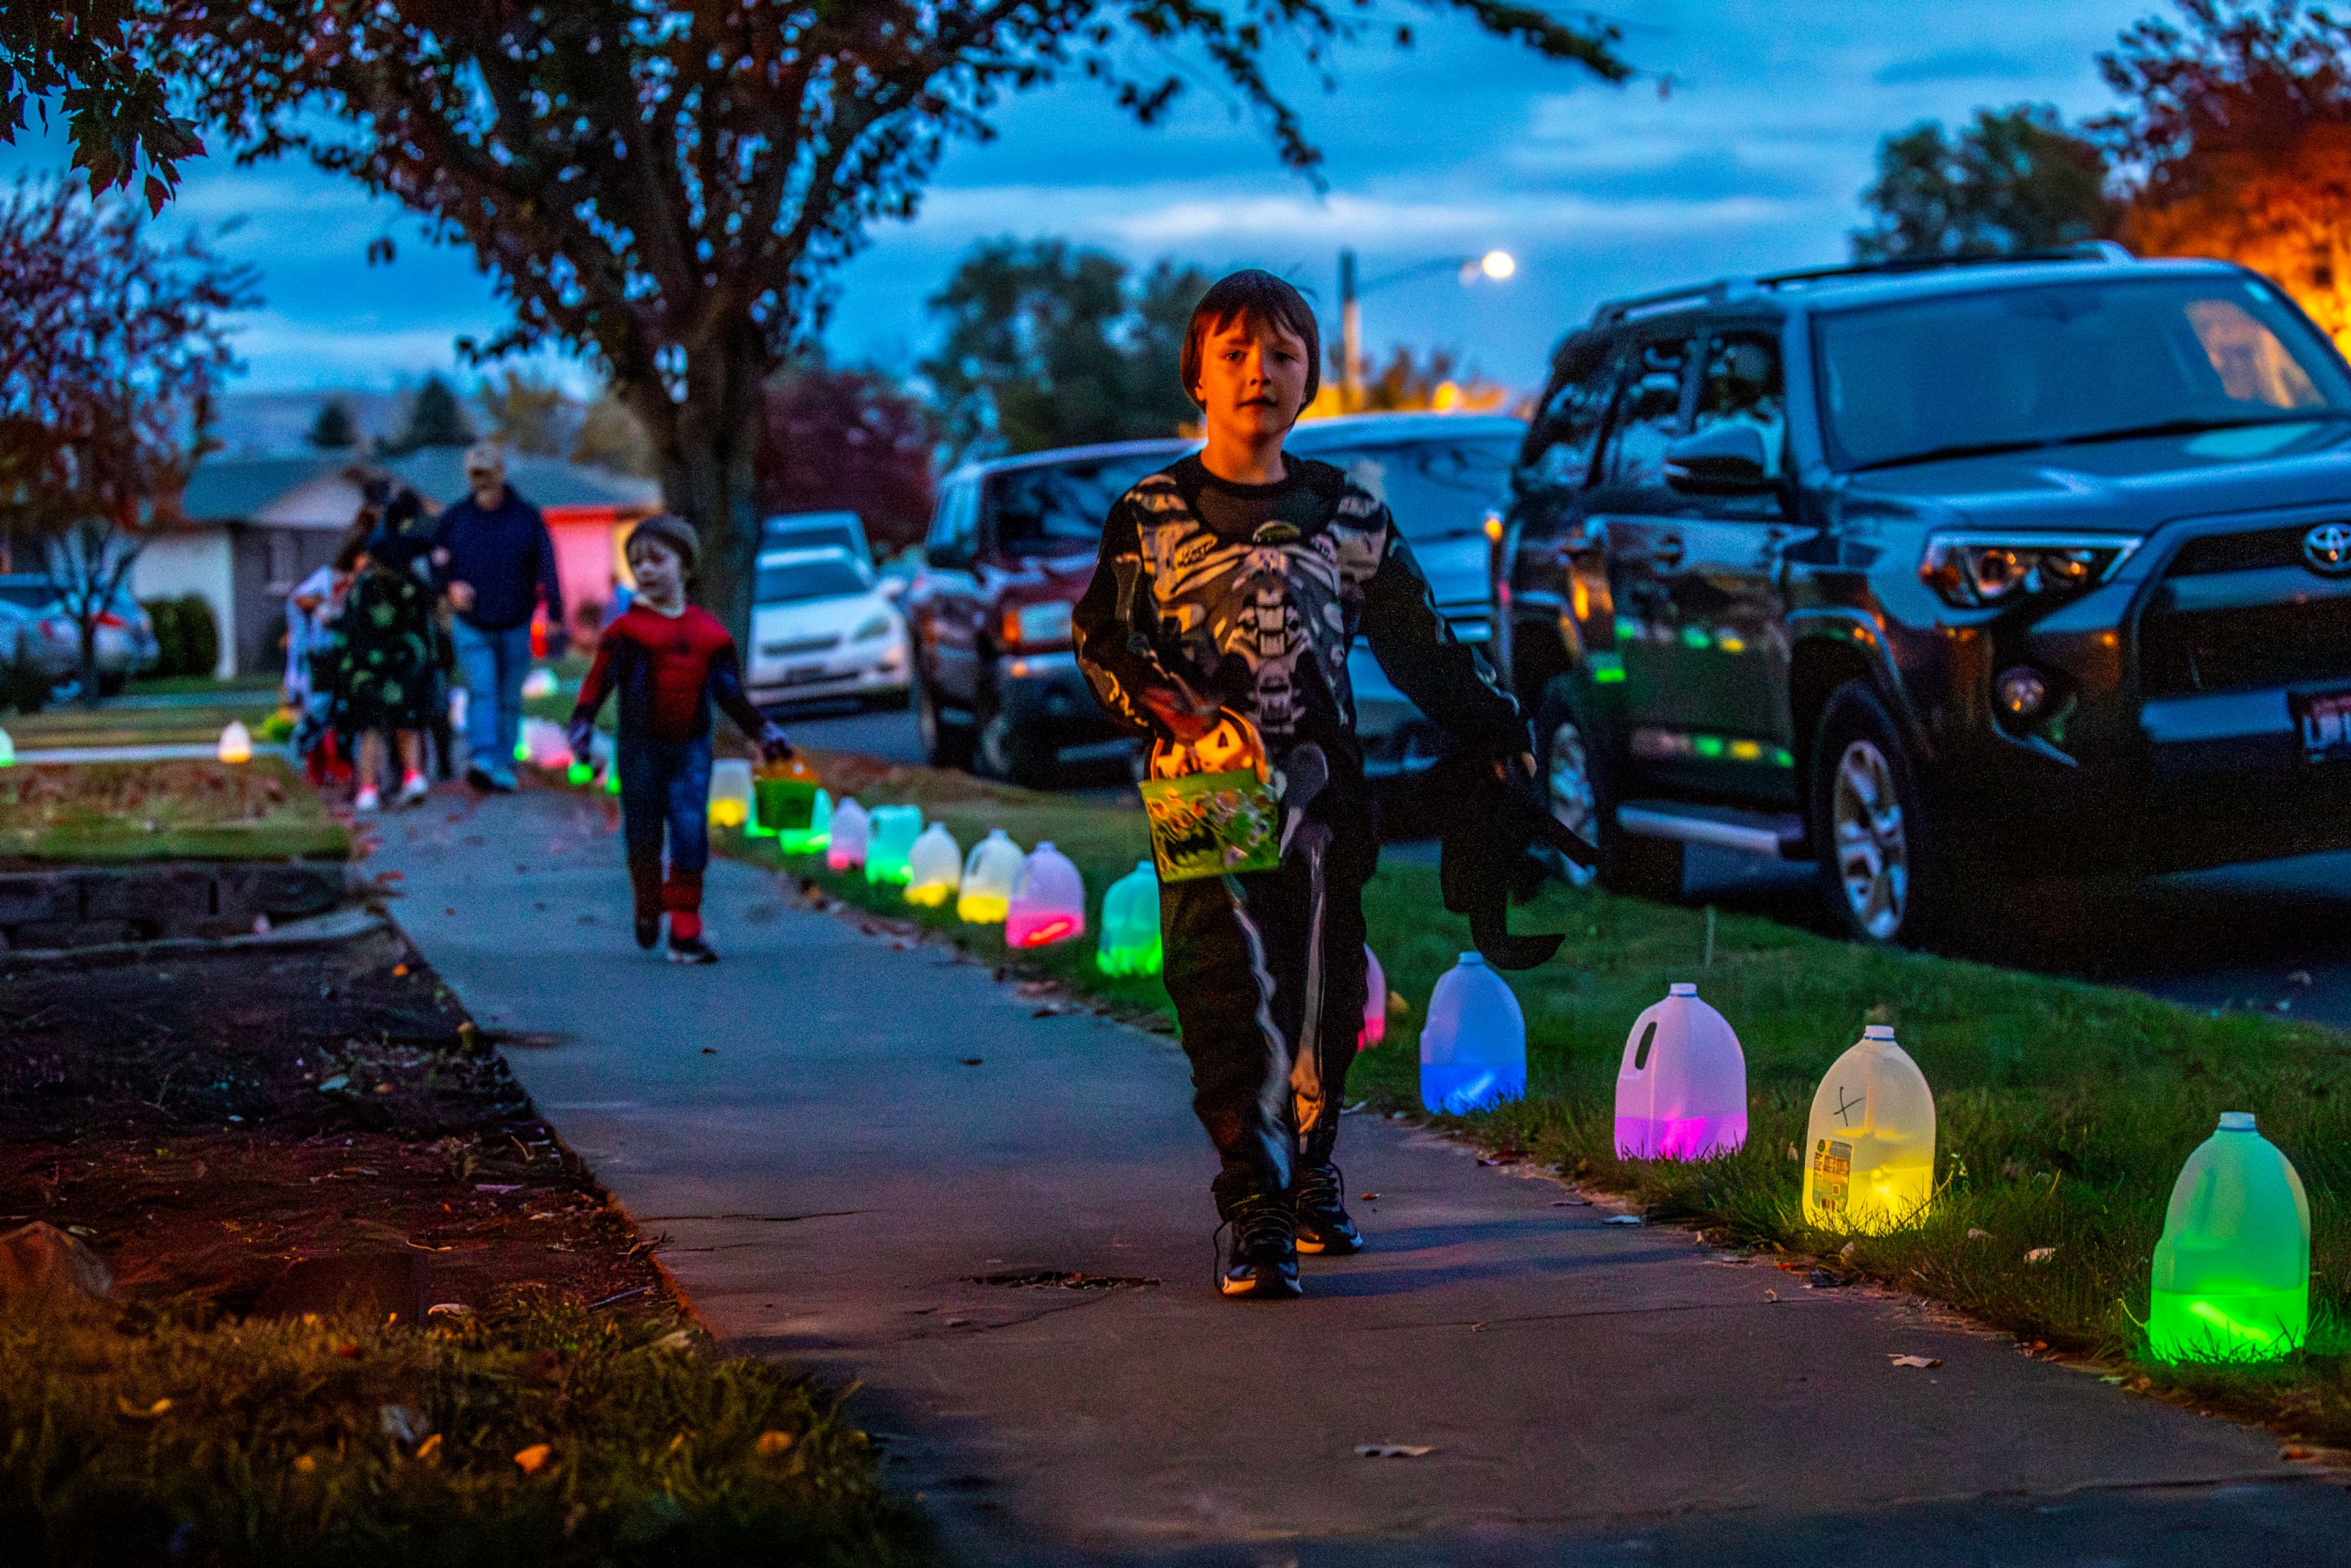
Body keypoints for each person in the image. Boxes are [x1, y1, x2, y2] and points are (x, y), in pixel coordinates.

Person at [1071, 270, 1531, 1300]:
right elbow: (1102, 637)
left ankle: (1311, 1165)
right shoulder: (1149, 516)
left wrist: (1500, 727)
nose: (1259, 373)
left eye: (1282, 354)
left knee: (1326, 988)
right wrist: (1173, 711)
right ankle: (1254, 1203)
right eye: (1235, 353)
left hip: (1324, 789)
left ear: (1311, 379)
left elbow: (1423, 647)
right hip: (1205, 787)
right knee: (1225, 987)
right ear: (1197, 375)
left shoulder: (1350, 516)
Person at [567, 516, 792, 964]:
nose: (645, 570)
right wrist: (582, 725)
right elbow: (597, 683)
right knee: (644, 835)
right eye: (636, 563)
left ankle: (686, 926)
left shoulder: (709, 635)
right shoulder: (625, 634)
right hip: (639, 749)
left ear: (685, 565)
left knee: (691, 833)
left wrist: (763, 731)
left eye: (657, 559)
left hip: (691, 748)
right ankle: (649, 902)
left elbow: (729, 693)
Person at [431, 443, 563, 792]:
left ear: (501, 474)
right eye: (477, 475)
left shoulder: (527, 518)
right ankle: (483, 757)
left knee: (508, 694)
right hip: (472, 623)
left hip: (516, 620)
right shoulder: (455, 519)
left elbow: (547, 565)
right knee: (483, 688)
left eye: (488, 474)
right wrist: (448, 585)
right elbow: (434, 559)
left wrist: (555, 610)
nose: (483, 482)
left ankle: (504, 762)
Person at [339, 488, 441, 812]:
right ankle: (403, 778)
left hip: (379, 665)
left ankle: (378, 786)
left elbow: (352, 628)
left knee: (381, 728)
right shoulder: (409, 584)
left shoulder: (369, 588)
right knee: (399, 725)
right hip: (396, 663)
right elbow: (420, 628)